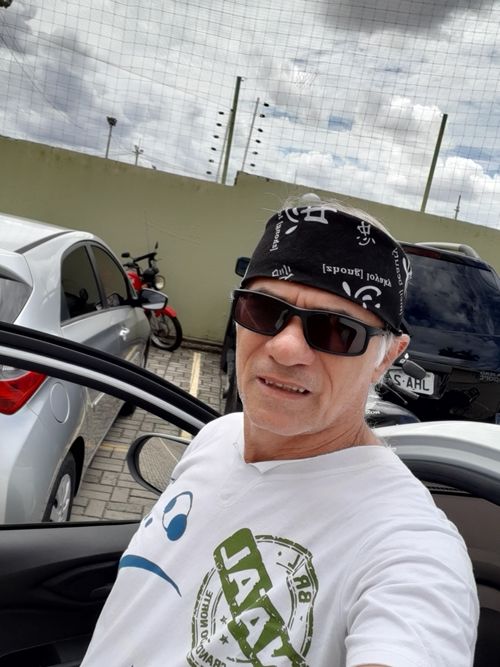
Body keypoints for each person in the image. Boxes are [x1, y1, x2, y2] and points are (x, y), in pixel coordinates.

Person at [82, 198, 479, 666]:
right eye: (263, 310)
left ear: (386, 358)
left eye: (336, 330)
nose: (286, 348)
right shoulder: (217, 436)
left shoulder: (406, 544)